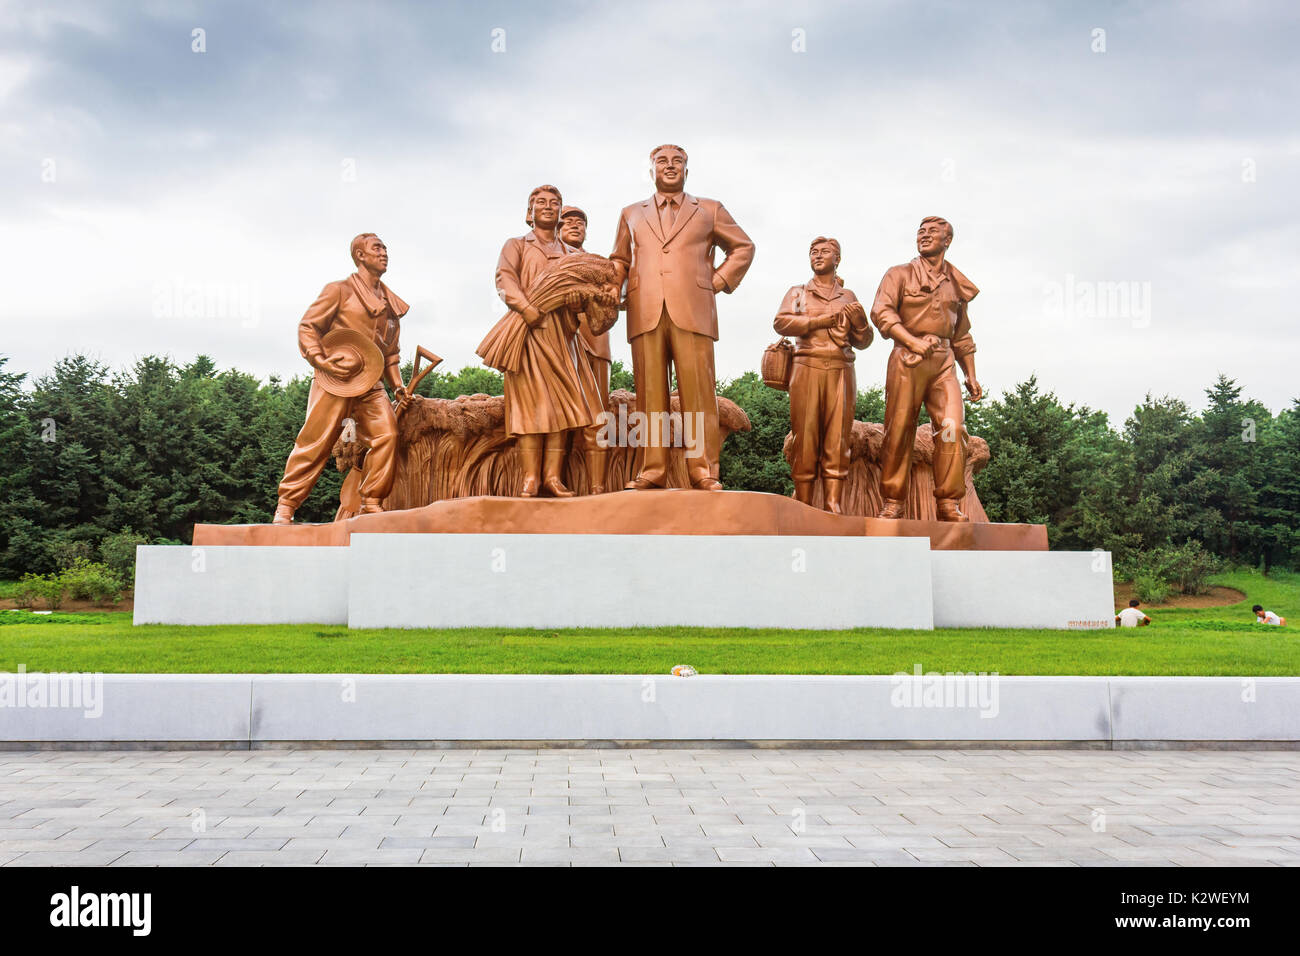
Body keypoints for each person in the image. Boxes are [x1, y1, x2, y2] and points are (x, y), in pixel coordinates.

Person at [610, 144, 755, 491]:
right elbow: (619, 259)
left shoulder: (709, 209)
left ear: (687, 171)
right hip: (644, 310)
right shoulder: (631, 213)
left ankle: (703, 469)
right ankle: (653, 468)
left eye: (678, 162)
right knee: (649, 396)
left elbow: (743, 247)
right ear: (651, 171)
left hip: (694, 309)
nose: (670, 166)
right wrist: (614, 289)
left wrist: (716, 282)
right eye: (662, 161)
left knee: (699, 394)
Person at [273, 233, 409, 524]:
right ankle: (286, 505)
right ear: (360, 256)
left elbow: (391, 353)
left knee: (387, 435)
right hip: (335, 380)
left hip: (371, 383)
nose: (384, 253)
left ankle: (371, 500)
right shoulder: (339, 290)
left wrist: (397, 385)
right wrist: (320, 360)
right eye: (377, 248)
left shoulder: (390, 303)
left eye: (385, 248)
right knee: (315, 442)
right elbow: (308, 326)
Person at [482, 185, 604, 497]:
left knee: (560, 410)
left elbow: (582, 298)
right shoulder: (517, 245)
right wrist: (526, 308)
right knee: (530, 410)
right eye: (541, 203)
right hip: (526, 335)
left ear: (561, 212)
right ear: (529, 212)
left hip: (563, 339)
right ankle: (530, 479)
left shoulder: (570, 254)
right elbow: (504, 279)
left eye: (554, 203)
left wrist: (577, 302)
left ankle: (553, 477)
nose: (548, 207)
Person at [869, 216, 983, 522]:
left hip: (944, 363)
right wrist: (911, 341)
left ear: (948, 240)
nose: (924, 235)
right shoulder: (899, 274)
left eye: (933, 232)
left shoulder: (956, 283)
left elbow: (962, 333)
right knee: (899, 430)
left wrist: (970, 373)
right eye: (921, 231)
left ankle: (948, 502)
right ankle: (893, 500)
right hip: (908, 359)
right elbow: (881, 312)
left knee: (952, 428)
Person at [773, 237, 872, 513]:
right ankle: (804, 502)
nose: (817, 256)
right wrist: (819, 322)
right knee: (804, 437)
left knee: (837, 438)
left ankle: (833, 503)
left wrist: (862, 325)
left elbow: (864, 341)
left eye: (824, 252)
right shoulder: (798, 292)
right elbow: (781, 322)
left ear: (837, 259)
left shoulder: (848, 296)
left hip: (841, 369)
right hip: (806, 367)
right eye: (813, 252)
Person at [559, 205, 613, 494]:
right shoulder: (549, 260)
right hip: (559, 344)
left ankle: (597, 486)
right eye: (568, 222)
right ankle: (556, 480)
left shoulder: (598, 263)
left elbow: (617, 298)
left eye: (580, 222)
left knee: (598, 417)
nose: (575, 226)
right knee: (558, 416)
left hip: (596, 343)